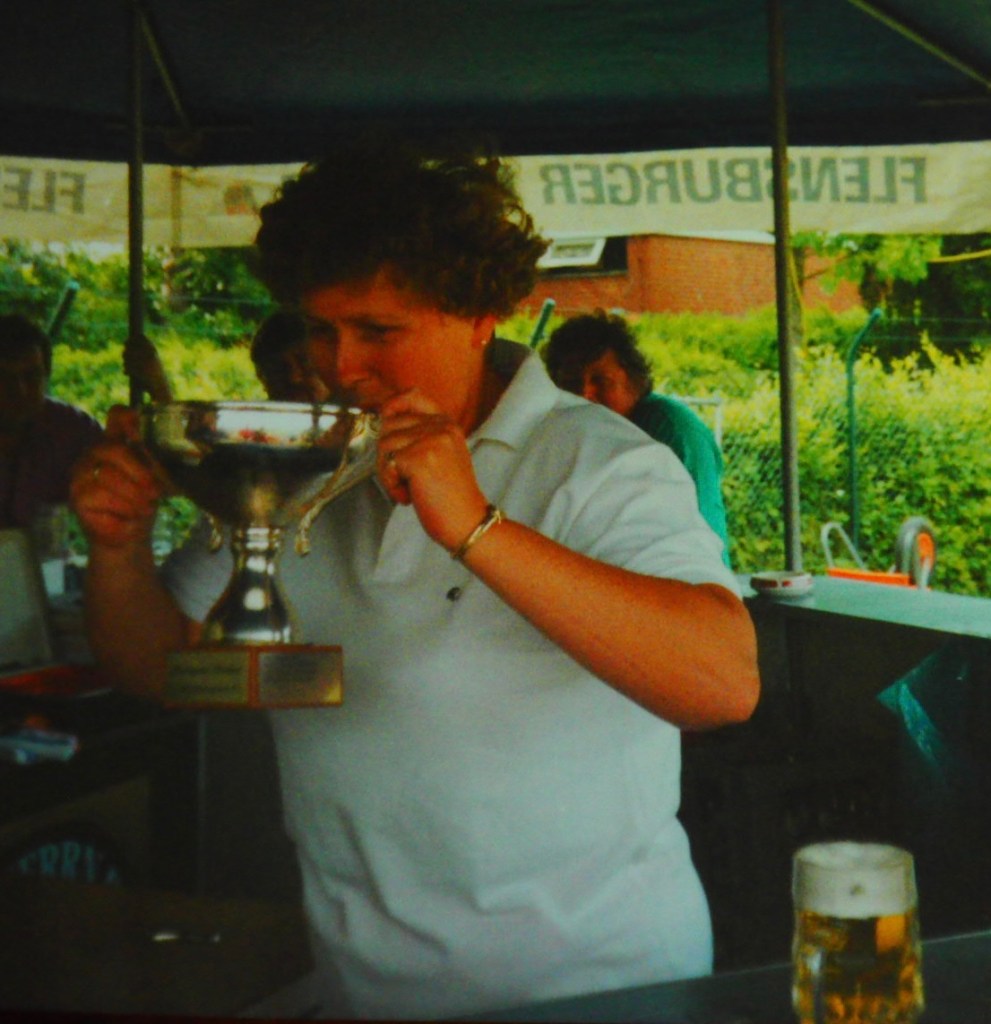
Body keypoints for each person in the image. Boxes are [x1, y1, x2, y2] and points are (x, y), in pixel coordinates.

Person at [70, 137, 759, 1021]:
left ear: (481, 315)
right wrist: (118, 549)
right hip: (361, 991)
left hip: (598, 992)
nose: (341, 365)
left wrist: (473, 526)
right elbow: (163, 670)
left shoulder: (597, 462)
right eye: (322, 328)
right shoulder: (307, 462)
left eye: (379, 331)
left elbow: (722, 683)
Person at [544, 309, 732, 565]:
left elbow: (701, 538)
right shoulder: (567, 434)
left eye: (601, 380)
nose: (585, 393)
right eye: (571, 382)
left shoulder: (673, 430)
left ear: (634, 381)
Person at [0, 313, 103, 529]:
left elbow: (138, 469)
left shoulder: (68, 429)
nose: (19, 390)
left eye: (31, 376)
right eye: (4, 378)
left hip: (44, 560)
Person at [250, 308, 334, 402]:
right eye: (281, 369)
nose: (295, 378)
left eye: (306, 365)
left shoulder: (350, 413)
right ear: (261, 376)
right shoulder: (250, 416)